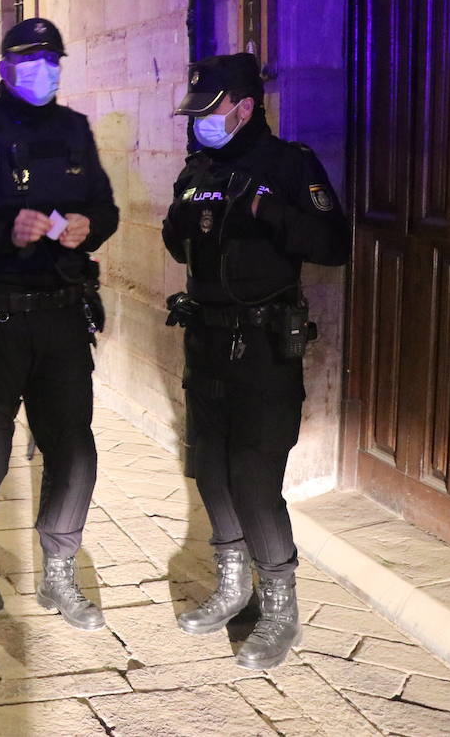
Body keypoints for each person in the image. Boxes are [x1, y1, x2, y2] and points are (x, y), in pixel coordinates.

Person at [161, 52, 350, 669]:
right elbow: (173, 239)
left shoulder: (289, 165)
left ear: (244, 105)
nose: (200, 124)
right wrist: (185, 215)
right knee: (210, 470)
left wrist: (267, 209)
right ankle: (234, 584)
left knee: (253, 478)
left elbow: (332, 244)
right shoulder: (199, 166)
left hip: (265, 349)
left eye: (210, 111)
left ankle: (280, 608)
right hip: (205, 342)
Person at [0, 18, 119, 630]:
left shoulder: (74, 130)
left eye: (53, 59)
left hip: (63, 315)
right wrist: (5, 234)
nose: (45, 69)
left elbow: (106, 208)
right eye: (31, 60)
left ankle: (59, 571)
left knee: (73, 446)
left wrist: (93, 225)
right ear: (5, 67)